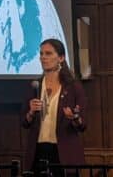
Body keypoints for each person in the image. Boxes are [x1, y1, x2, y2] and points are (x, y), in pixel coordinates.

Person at [21, 38, 87, 176]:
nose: (43, 57)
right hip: (38, 151)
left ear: (61, 58)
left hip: (64, 152)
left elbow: (83, 125)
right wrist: (31, 112)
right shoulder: (35, 86)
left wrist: (74, 117)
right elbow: (24, 122)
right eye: (41, 54)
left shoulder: (73, 87)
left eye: (48, 53)